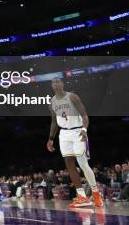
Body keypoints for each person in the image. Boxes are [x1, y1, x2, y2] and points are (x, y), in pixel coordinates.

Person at [47, 78, 104, 208]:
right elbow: (54, 122)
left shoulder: (72, 97)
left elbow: (84, 115)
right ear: (51, 86)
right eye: (53, 82)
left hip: (78, 131)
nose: (55, 84)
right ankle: (82, 197)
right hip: (64, 134)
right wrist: (50, 138)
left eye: (58, 81)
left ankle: (96, 194)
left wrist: (84, 129)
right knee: (69, 165)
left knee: (83, 164)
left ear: (62, 84)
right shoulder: (52, 102)